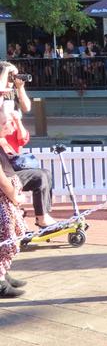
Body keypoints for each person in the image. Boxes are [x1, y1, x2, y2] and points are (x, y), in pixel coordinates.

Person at [0, 62, 56, 228]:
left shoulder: (11, 93)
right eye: (12, 75)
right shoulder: (2, 92)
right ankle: (42, 217)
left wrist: (20, 87)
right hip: (4, 153)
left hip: (12, 152)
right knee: (39, 177)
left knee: (45, 173)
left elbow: (27, 107)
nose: (13, 78)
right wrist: (5, 73)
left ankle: (43, 215)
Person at [0, 105, 28, 298]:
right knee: (5, 237)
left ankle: (3, 272)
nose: (6, 125)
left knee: (12, 233)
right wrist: (14, 196)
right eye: (3, 123)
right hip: (4, 198)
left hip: (8, 197)